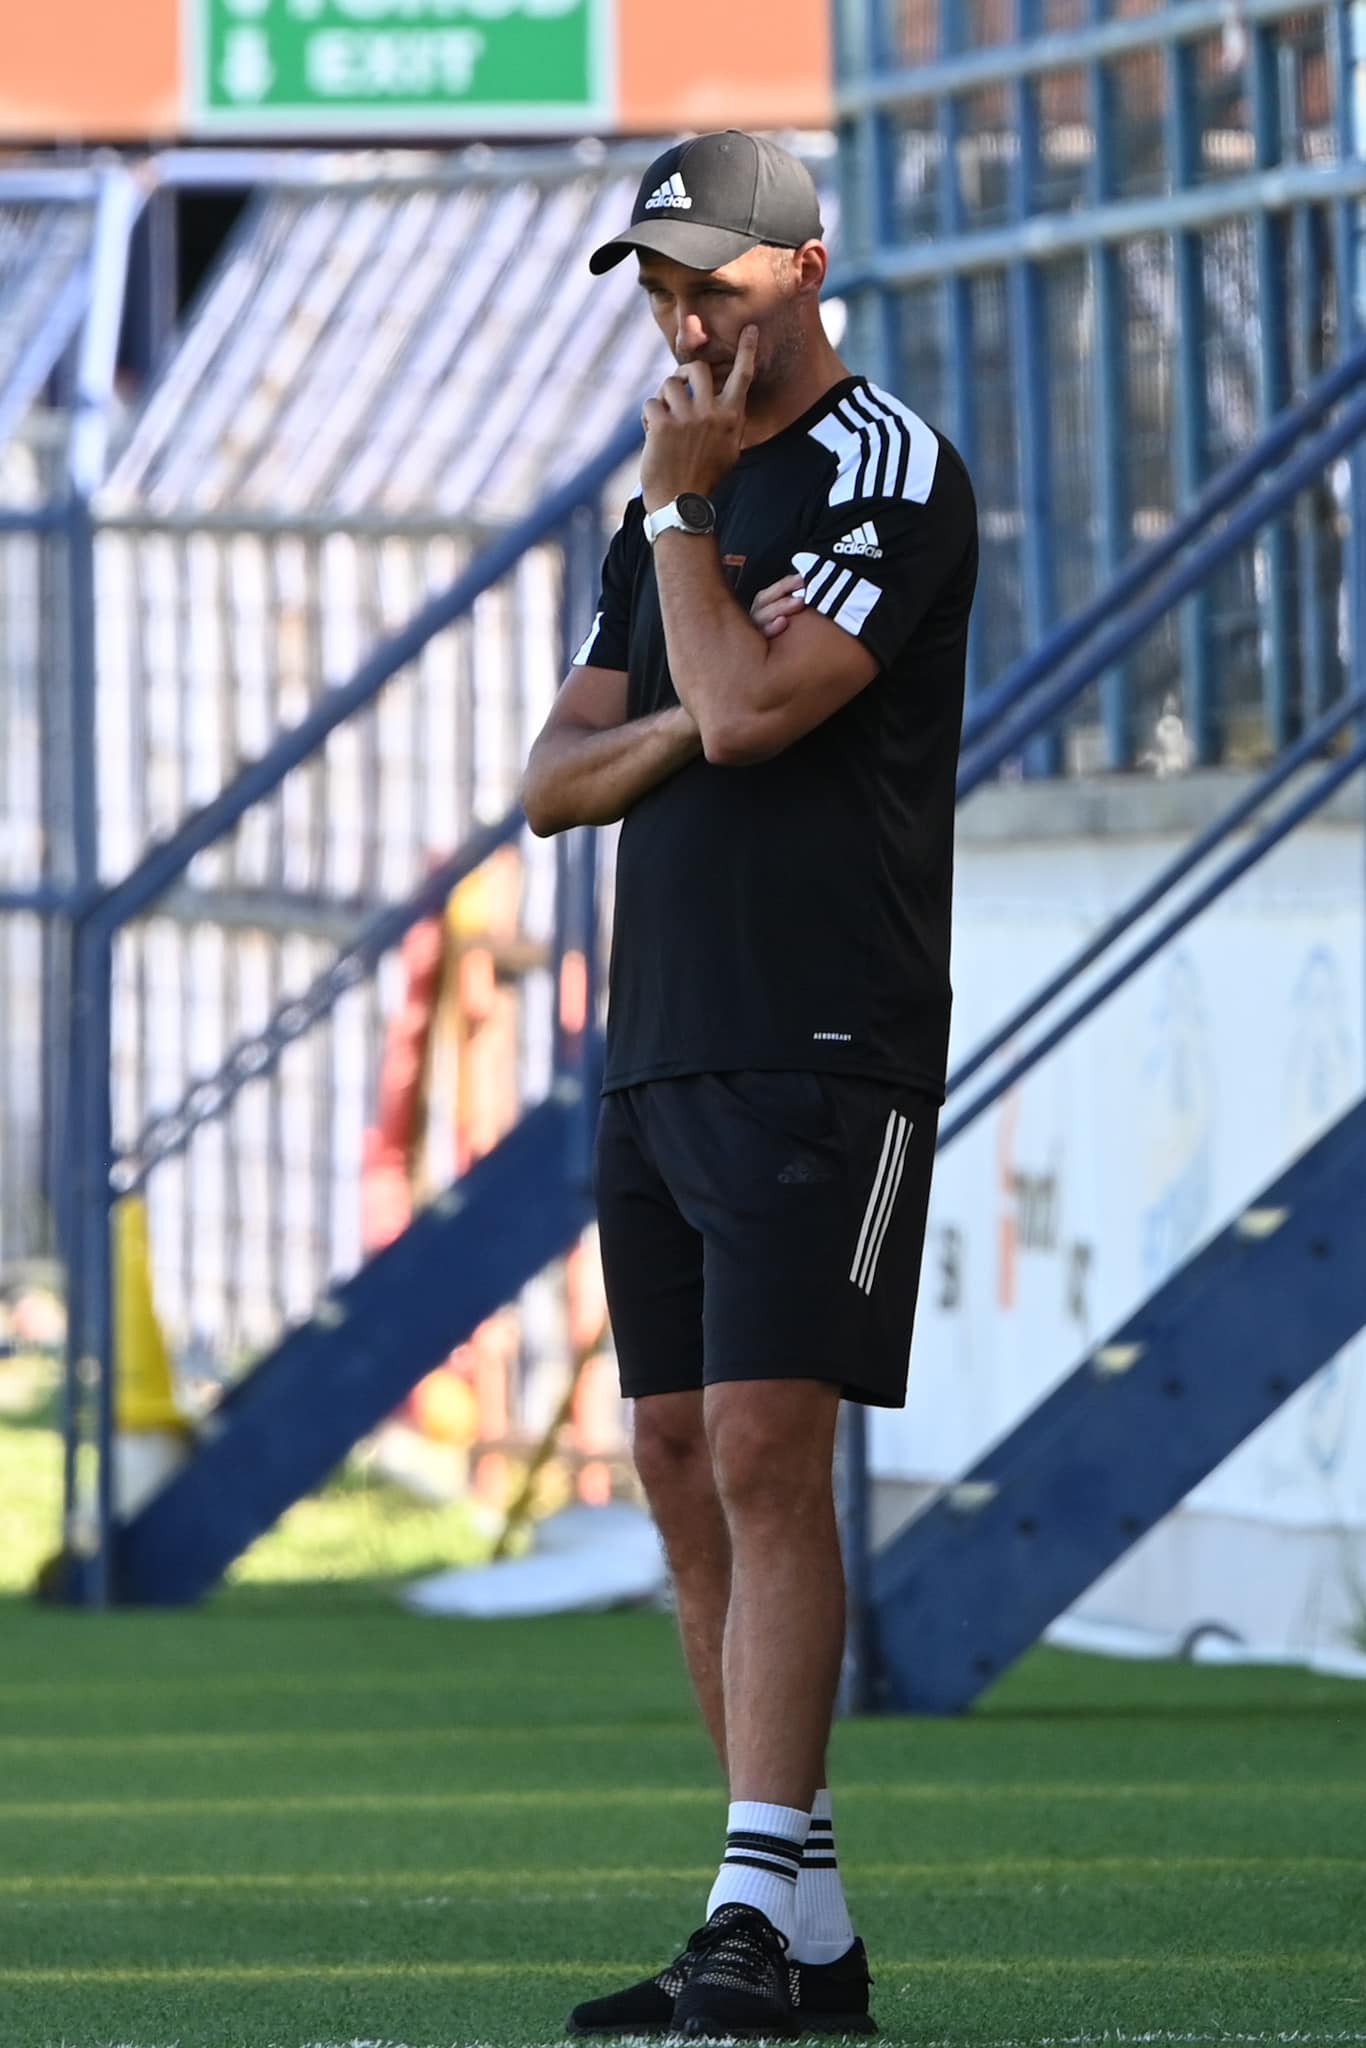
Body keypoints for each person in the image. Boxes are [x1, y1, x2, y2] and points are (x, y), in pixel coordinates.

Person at [521, 129, 977, 2041]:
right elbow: (554, 779)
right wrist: (687, 618)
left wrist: (689, 552)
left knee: (769, 1450)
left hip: (823, 1036)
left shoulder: (883, 469)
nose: (681, 319)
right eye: (656, 286)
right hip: (662, 1038)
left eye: (711, 280)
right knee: (674, 1461)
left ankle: (739, 1908)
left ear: (805, 266)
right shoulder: (670, 509)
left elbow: (743, 708)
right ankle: (803, 1932)